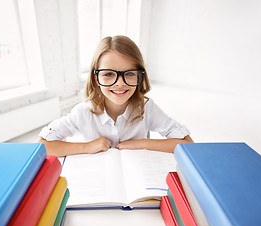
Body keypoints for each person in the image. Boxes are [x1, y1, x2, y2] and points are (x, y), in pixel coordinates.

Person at [37, 35, 193, 157]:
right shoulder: (82, 112)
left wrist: (141, 143)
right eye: (109, 74)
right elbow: (42, 145)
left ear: (140, 77)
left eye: (130, 73)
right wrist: (87, 147)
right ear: (96, 78)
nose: (119, 83)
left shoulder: (147, 108)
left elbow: (187, 144)